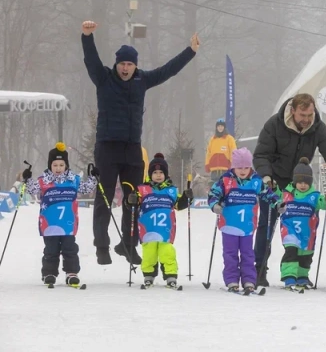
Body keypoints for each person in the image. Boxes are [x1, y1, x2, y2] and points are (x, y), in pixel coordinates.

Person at [81, 20, 199, 266]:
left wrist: (190, 51)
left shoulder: (142, 80)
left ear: (136, 66)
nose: (126, 68)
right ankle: (101, 245)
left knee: (133, 199)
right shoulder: (104, 78)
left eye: (130, 64)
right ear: (117, 64)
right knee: (104, 199)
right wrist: (87, 36)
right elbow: (91, 61)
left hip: (132, 150)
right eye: (122, 64)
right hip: (107, 147)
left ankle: (128, 244)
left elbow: (168, 70)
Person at [253, 92, 326, 287]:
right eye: (302, 115)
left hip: (302, 185)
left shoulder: (317, 128)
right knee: (267, 225)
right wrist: (266, 177)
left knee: (302, 230)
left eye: (310, 115)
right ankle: (259, 269)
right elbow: (261, 154)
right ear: (293, 111)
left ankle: (299, 271)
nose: (307, 120)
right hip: (275, 183)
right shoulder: (274, 125)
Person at [24, 142, 97, 287]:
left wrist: (93, 177)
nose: (58, 168)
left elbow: (86, 188)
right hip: (49, 223)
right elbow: (32, 190)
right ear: (50, 165)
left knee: (70, 249)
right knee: (51, 250)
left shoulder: (73, 180)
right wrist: (27, 179)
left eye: (61, 165)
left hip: (68, 223)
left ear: (66, 165)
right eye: (55, 165)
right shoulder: (44, 180)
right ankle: (49, 273)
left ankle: (72, 273)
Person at [208, 148, 278, 294]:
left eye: (246, 167)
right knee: (230, 254)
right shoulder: (226, 180)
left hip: (247, 226)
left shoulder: (256, 181)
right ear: (234, 166)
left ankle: (249, 281)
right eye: (239, 167)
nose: (243, 170)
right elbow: (213, 193)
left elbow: (268, 194)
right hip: (229, 226)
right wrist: (215, 205)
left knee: (248, 254)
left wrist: (278, 203)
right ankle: (232, 280)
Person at [127, 153, 193, 289]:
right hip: (148, 229)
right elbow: (132, 205)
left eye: (161, 172)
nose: (158, 175)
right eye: (155, 172)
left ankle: (171, 276)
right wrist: (131, 200)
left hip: (165, 230)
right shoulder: (142, 189)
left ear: (166, 174)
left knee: (167, 253)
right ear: (150, 174)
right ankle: (148, 275)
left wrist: (187, 198)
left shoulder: (171, 191)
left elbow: (179, 205)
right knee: (149, 254)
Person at [277, 157, 326, 291]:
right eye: (299, 182)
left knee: (305, 255)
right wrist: (273, 192)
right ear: (295, 181)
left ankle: (302, 277)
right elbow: (276, 198)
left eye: (306, 182)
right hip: (290, 229)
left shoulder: (314, 195)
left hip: (307, 232)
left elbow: (324, 204)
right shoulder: (287, 193)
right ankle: (289, 276)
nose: (303, 185)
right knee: (291, 251)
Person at [204, 119, 237, 183]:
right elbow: (208, 153)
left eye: (222, 126)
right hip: (214, 170)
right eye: (219, 126)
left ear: (224, 127)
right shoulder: (212, 139)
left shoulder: (229, 139)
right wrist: (207, 164)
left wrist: (232, 164)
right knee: (215, 189)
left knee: (224, 189)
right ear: (216, 128)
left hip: (225, 170)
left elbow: (233, 152)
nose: (220, 128)